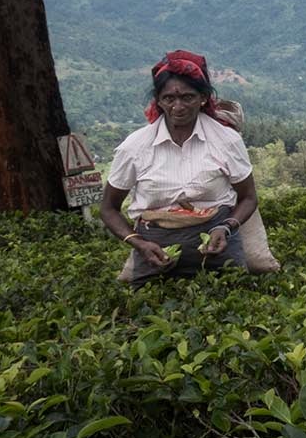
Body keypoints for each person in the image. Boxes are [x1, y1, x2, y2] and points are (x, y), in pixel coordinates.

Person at [101, 51, 280, 282]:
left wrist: (225, 228)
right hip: (155, 248)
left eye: (188, 97)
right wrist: (139, 243)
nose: (178, 106)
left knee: (232, 291)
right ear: (158, 100)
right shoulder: (135, 147)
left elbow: (248, 198)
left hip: (218, 241)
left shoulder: (225, 140)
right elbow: (108, 208)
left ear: (203, 97)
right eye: (169, 99)